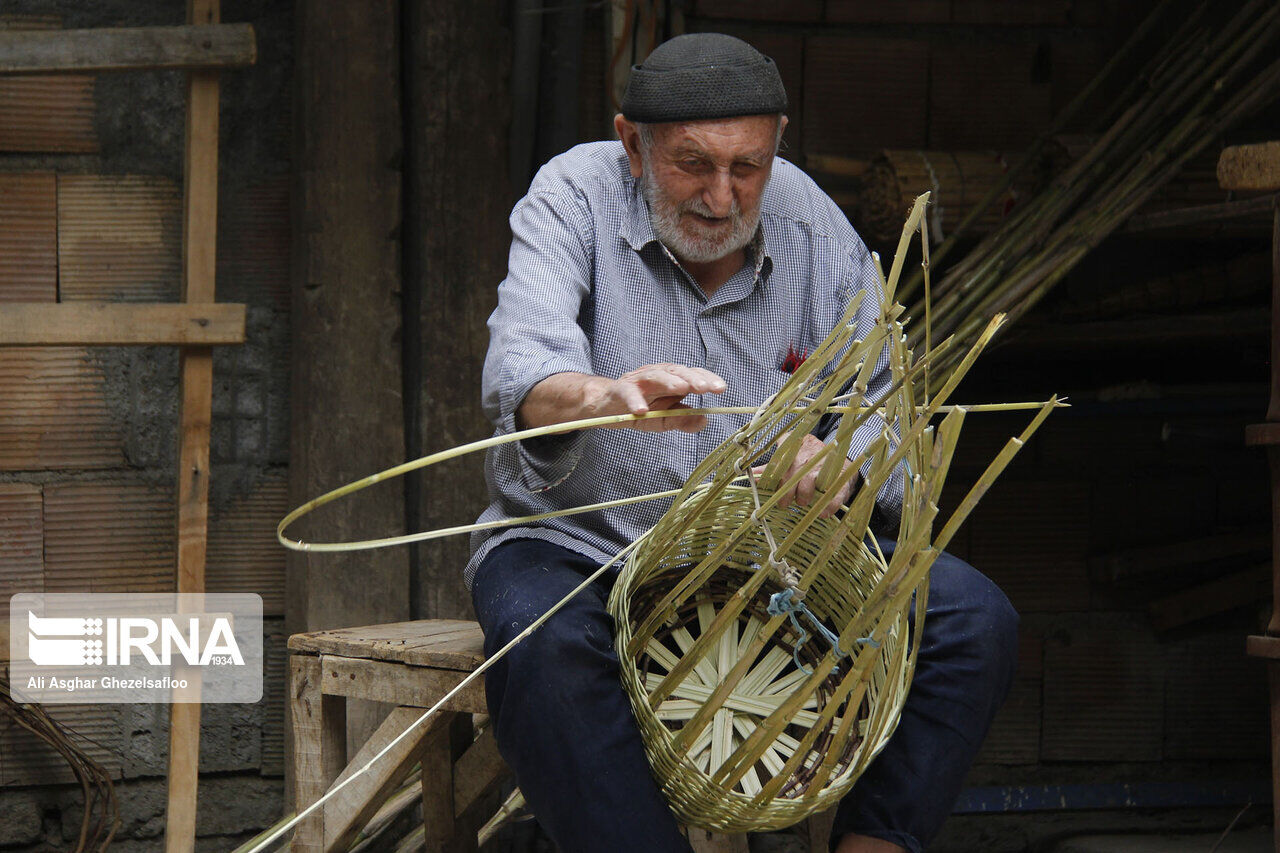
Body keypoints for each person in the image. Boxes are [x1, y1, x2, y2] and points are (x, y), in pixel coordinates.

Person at [467, 33, 1018, 853]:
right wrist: (602, 398)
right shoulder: (573, 194)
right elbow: (521, 366)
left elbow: (885, 409)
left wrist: (844, 461)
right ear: (632, 144)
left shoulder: (808, 219)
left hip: (773, 554)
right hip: (584, 543)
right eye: (692, 164)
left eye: (748, 167)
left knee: (974, 619)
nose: (722, 197)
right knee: (537, 640)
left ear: (776, 144)